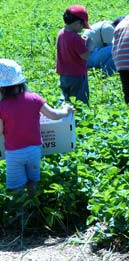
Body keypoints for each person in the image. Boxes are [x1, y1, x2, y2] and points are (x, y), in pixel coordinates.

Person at [0, 59, 74, 193]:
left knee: (17, 187)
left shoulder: (1, 106)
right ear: (20, 81)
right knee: (33, 182)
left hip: (14, 153)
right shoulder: (34, 98)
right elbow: (53, 115)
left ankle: (22, 212)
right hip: (34, 149)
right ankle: (34, 203)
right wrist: (66, 110)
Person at [56, 5, 90, 105]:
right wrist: (88, 46)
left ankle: (64, 119)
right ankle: (78, 120)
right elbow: (85, 56)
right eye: (82, 26)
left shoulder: (61, 33)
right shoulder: (76, 38)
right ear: (77, 23)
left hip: (64, 74)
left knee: (66, 100)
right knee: (79, 102)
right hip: (77, 75)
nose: (82, 29)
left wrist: (81, 42)